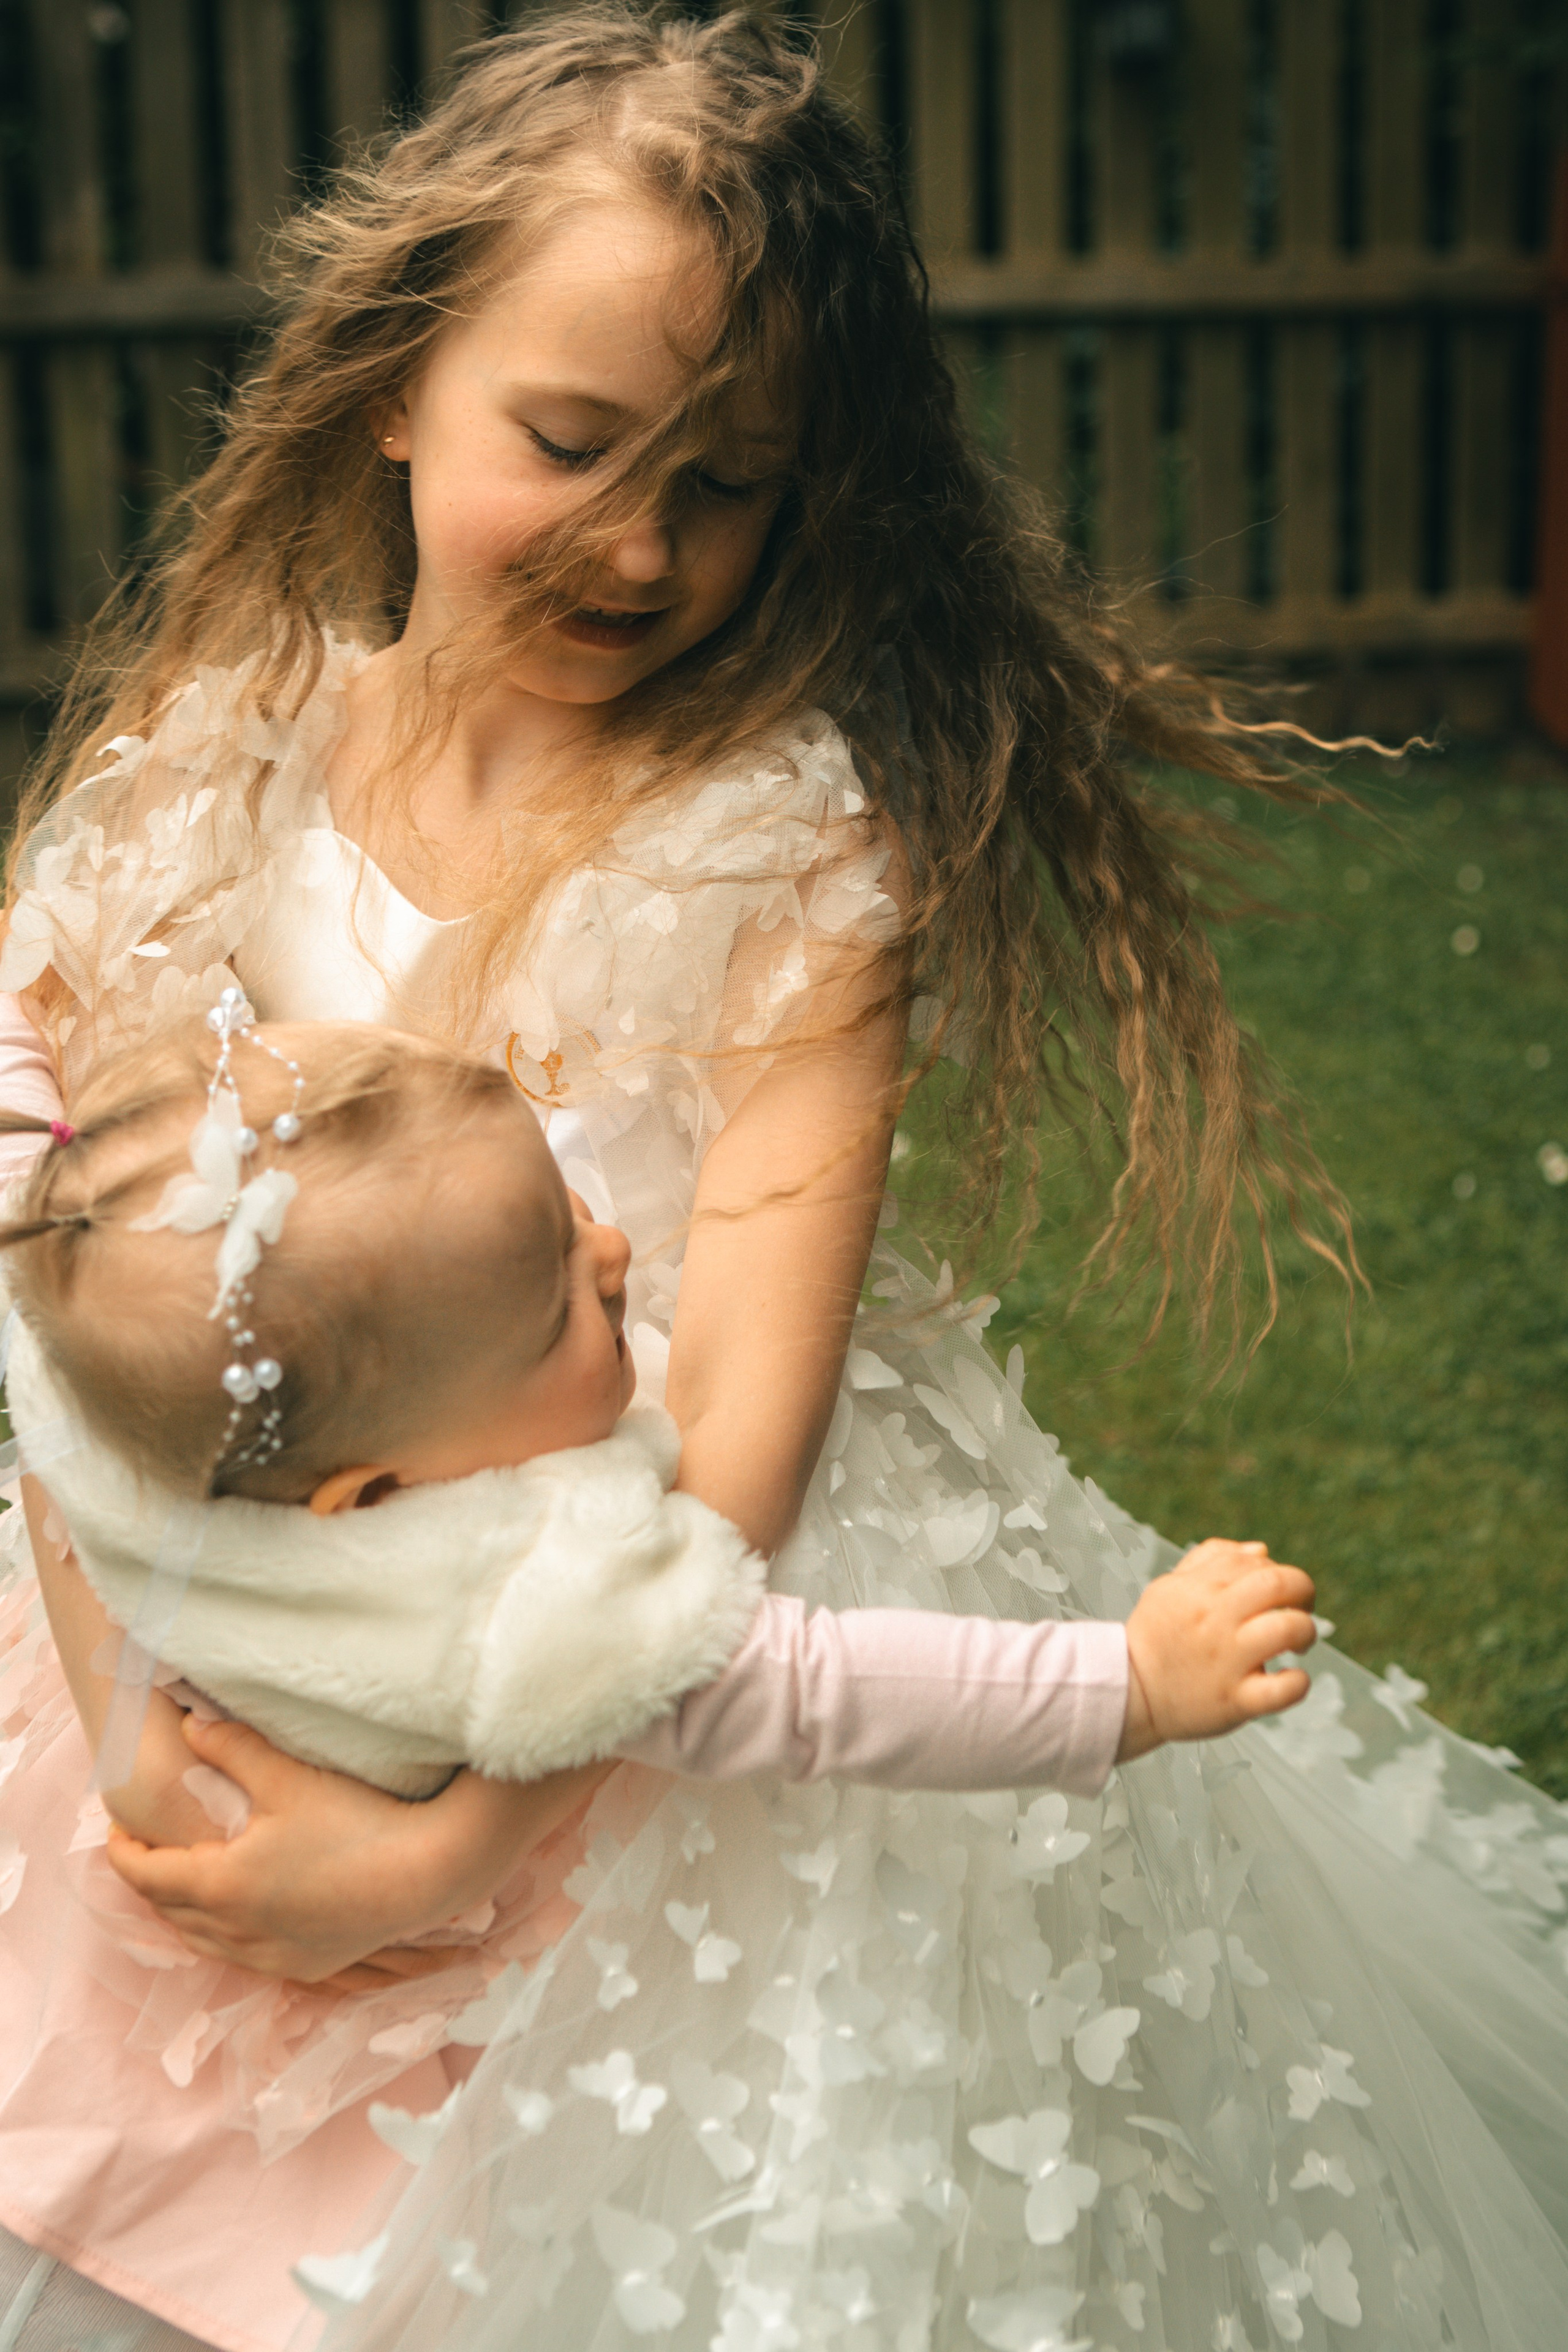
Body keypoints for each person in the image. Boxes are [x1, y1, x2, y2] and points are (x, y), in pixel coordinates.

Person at [0, 9, 1562, 2351]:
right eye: (573, 441)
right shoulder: (204, 761)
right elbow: (59, 1289)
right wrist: (153, 1729)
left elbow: (730, 1417)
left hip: (659, 1635)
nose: (644, 538)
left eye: (730, 483)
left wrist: (460, 1830)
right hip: (191, 1605)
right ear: (402, 382)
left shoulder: (793, 854)